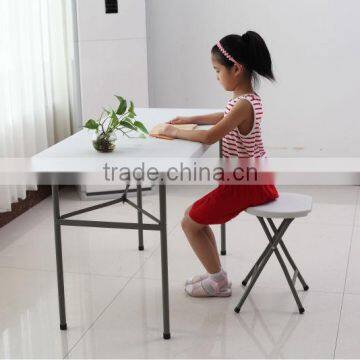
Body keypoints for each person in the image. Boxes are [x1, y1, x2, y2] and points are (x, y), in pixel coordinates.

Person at [156, 31, 279, 297]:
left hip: (245, 186)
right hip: (256, 180)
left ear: (236, 68)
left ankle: (217, 283)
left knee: (189, 223)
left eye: (217, 70)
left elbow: (212, 136)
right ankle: (217, 275)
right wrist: (191, 118)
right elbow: (222, 117)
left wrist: (174, 132)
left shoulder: (242, 105)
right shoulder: (248, 99)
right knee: (194, 216)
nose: (216, 76)